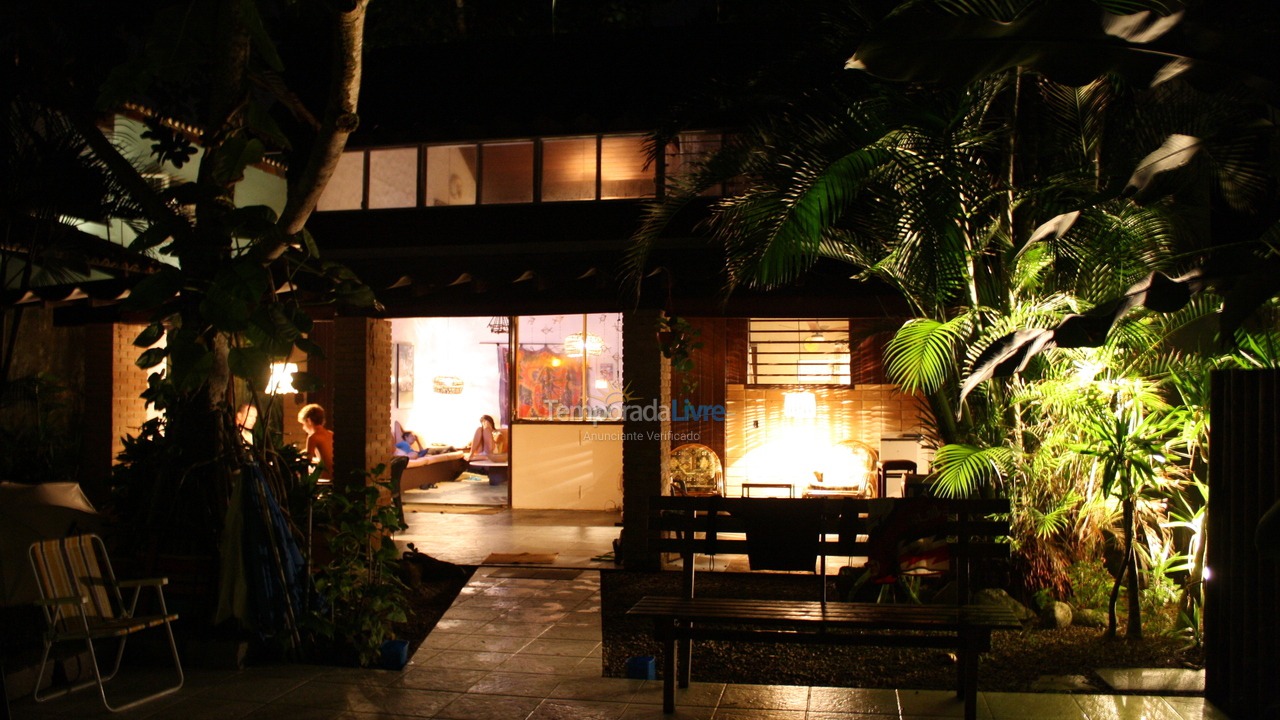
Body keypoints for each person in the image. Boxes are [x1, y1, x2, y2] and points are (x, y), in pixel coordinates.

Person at [298, 403, 334, 481]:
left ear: (309, 420)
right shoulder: (331, 434)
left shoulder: (313, 437)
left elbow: (307, 461)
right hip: (335, 476)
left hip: (325, 478)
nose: (303, 428)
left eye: (303, 424)